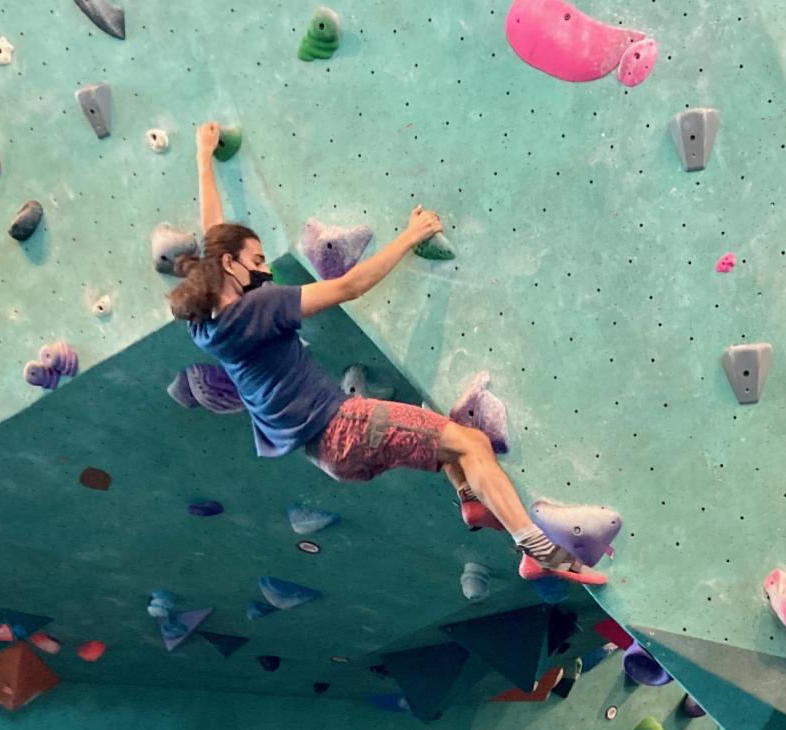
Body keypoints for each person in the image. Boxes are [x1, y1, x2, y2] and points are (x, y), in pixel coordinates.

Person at [166, 122, 606, 587]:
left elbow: (215, 236)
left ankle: (469, 495)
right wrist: (408, 236)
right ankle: (537, 550)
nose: (265, 267)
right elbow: (349, 286)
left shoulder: (204, 326)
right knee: (472, 442)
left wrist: (203, 155)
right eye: (256, 261)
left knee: (435, 432)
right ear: (231, 267)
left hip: (329, 457)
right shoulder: (262, 306)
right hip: (348, 428)